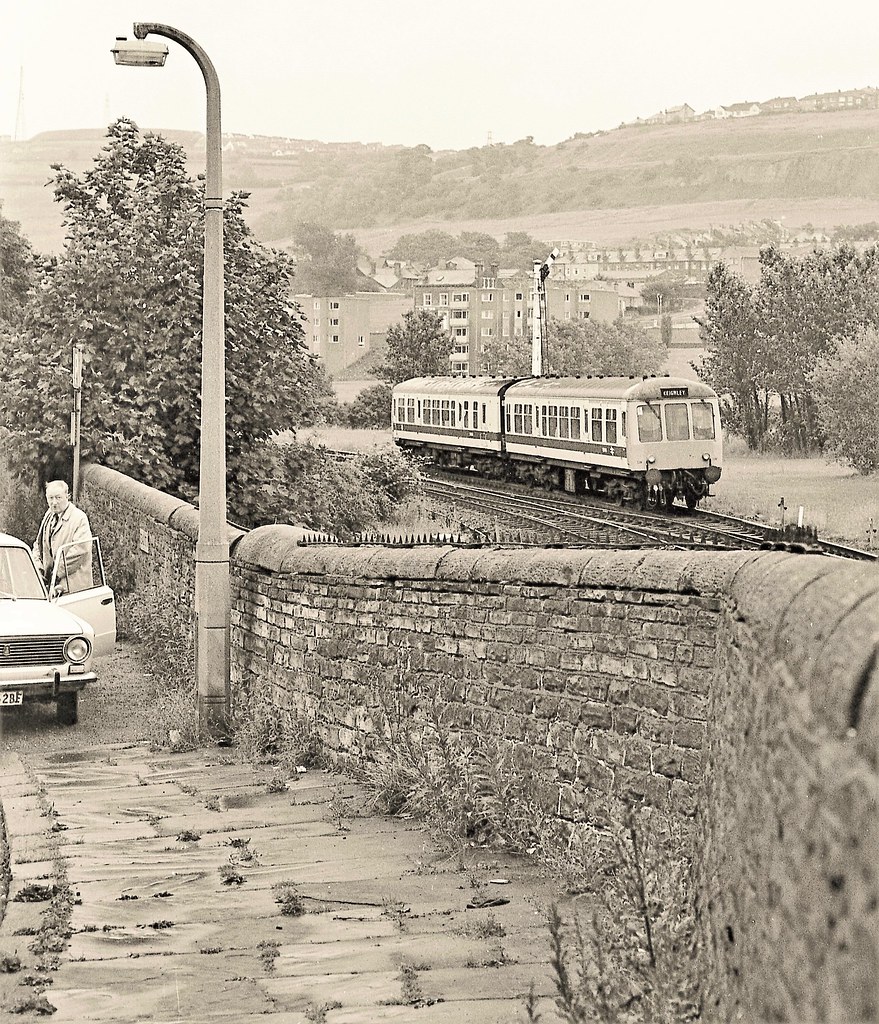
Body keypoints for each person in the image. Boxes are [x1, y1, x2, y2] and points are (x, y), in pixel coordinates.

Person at [32, 480, 93, 596]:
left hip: (73, 590)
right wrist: (38, 569)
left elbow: (80, 551)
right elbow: (38, 544)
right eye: (50, 498)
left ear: (67, 496)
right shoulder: (49, 515)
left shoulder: (79, 518)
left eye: (58, 497)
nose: (54, 502)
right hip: (51, 588)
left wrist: (56, 573)